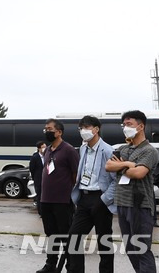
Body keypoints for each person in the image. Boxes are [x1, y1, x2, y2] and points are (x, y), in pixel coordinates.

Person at [106, 110, 159, 272]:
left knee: (141, 249)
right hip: (122, 203)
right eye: (124, 125)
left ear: (140, 126)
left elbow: (138, 173)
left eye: (129, 124)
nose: (125, 128)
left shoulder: (149, 151)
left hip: (140, 205)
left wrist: (122, 166)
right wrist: (128, 165)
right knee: (130, 249)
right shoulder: (123, 149)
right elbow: (108, 166)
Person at [68, 115, 117, 273]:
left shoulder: (108, 150)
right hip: (84, 197)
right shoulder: (83, 148)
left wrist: (104, 200)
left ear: (96, 129)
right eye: (81, 128)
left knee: (104, 242)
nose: (83, 131)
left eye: (87, 128)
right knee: (73, 237)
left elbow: (116, 180)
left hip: (100, 199)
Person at [36, 118, 79, 273]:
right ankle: (51, 265)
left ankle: (70, 266)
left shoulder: (68, 150)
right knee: (51, 235)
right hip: (46, 200)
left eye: (50, 129)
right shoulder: (47, 150)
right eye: (45, 129)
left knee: (65, 236)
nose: (47, 131)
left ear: (59, 132)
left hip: (62, 201)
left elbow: (76, 175)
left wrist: (71, 195)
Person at [29, 141, 46, 216]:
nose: (44, 149)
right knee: (39, 196)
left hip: (47, 180)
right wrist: (34, 178)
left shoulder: (48, 156)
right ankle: (41, 212)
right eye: (43, 147)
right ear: (39, 148)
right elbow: (32, 168)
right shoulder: (35, 157)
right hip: (38, 179)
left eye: (45, 147)